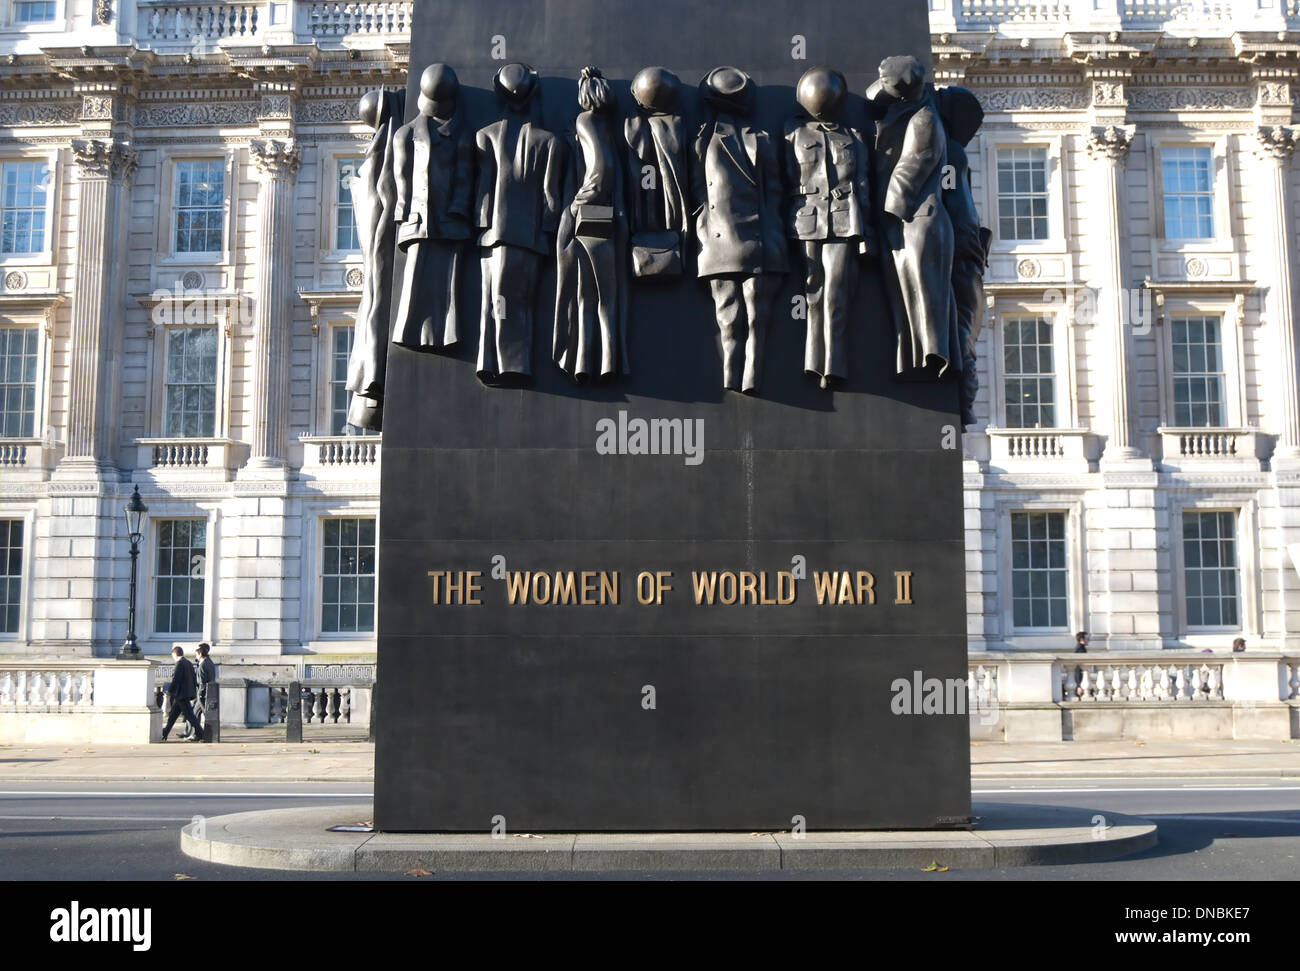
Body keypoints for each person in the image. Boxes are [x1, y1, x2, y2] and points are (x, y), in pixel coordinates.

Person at [161, 645, 201, 742]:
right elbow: (193, 678)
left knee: (189, 716)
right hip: (184, 694)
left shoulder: (180, 663)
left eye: (173, 655)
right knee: (172, 716)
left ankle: (200, 733)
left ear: (175, 654)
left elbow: (176, 680)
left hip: (181, 695)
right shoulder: (188, 663)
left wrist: (170, 691)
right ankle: (164, 734)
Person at [1072, 631, 1088, 698]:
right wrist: (1078, 685)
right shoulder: (1080, 649)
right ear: (1082, 639)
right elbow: (1078, 667)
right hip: (1080, 678)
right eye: (1087, 638)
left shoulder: (1081, 648)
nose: (1088, 640)